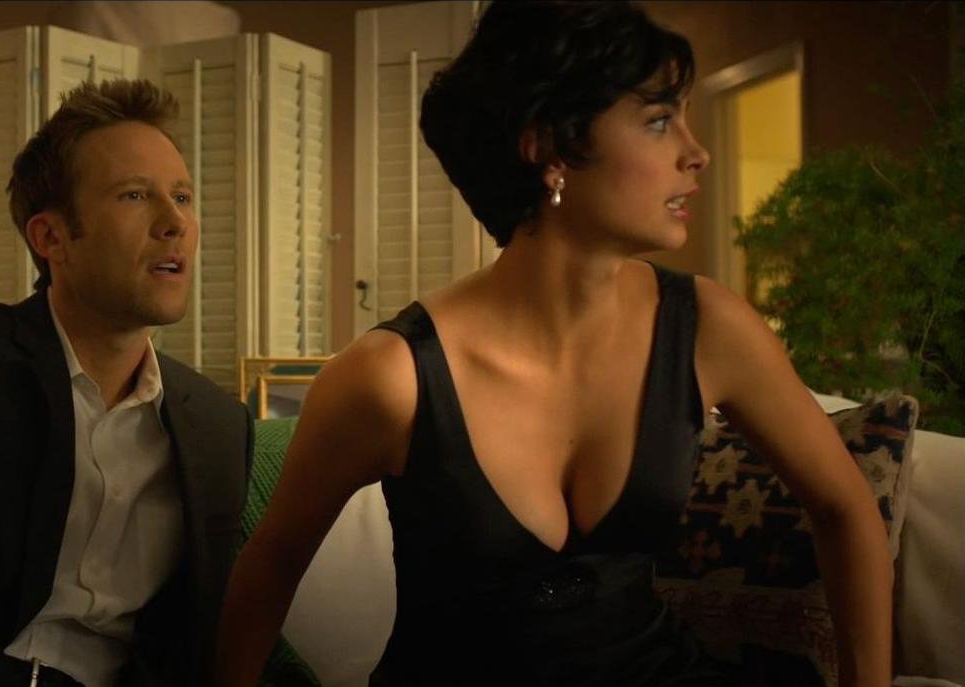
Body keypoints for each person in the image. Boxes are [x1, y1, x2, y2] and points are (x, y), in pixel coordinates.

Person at [214, 3, 892, 686]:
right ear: (549, 148)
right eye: (659, 121)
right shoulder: (392, 377)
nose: (697, 152)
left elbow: (845, 507)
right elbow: (270, 566)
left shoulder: (708, 328)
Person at [0, 79, 253, 686]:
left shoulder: (219, 425)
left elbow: (191, 642)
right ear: (51, 237)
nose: (175, 223)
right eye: (135, 195)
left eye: (184, 197)